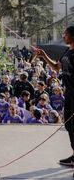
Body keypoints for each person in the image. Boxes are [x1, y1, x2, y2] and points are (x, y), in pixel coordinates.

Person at [37, 25, 74, 166]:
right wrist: (44, 55)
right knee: (69, 125)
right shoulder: (66, 51)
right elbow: (56, 67)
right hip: (69, 94)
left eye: (66, 34)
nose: (63, 36)